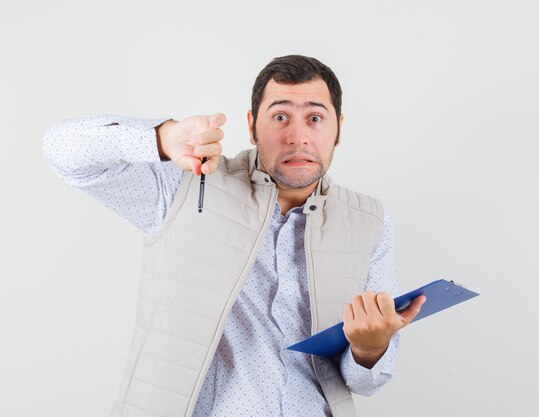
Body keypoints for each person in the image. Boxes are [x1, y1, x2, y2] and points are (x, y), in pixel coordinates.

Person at [43, 55, 426, 417]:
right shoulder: (190, 184)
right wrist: (160, 138)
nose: (297, 136)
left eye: (314, 118)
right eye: (279, 116)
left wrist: (370, 348)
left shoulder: (370, 221)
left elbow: (367, 380)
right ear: (252, 125)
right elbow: (62, 152)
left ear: (338, 128)